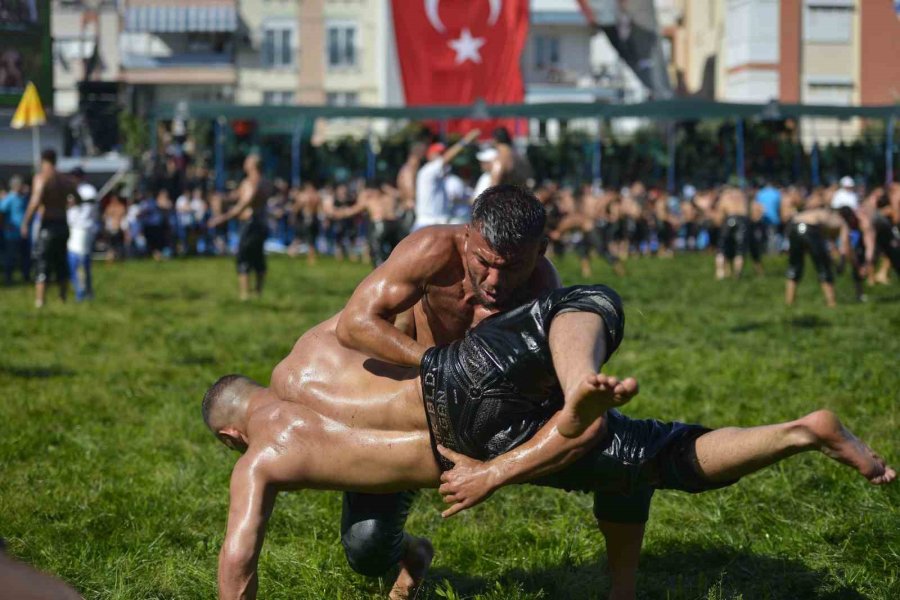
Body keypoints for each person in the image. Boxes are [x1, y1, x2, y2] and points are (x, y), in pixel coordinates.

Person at [205, 285, 894, 600]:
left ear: (234, 434)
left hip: (469, 430)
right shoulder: (313, 352)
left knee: (626, 447)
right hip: (464, 402)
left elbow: (237, 564)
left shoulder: (264, 452)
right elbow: (374, 323)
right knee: (631, 451)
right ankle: (794, 430)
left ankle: (579, 404)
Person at [334, 184, 561, 589]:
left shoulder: (544, 289)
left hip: (490, 421)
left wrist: (500, 467)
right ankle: (411, 552)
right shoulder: (431, 251)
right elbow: (354, 324)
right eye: (484, 262)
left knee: (619, 457)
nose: (494, 281)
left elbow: (559, 386)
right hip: (413, 408)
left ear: (540, 250)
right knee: (366, 548)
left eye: (511, 267)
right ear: (467, 234)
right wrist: (434, 362)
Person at [208, 155, 273, 301]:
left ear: (252, 165)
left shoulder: (253, 183)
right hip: (261, 224)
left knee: (243, 257)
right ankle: (257, 292)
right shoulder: (262, 182)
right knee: (258, 257)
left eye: (247, 161)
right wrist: (222, 197)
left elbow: (242, 206)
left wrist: (221, 218)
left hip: (251, 224)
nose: (244, 163)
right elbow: (237, 196)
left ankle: (245, 295)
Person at [20, 149, 77, 308]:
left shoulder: (42, 178)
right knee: (61, 261)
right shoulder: (65, 179)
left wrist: (26, 222)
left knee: (42, 262)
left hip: (48, 225)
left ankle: (40, 301)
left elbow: (35, 201)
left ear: (43, 160)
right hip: (63, 224)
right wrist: (64, 204)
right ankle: (63, 298)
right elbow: (76, 198)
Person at [785, 195, 855, 307]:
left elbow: (827, 243)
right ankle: (831, 303)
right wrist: (841, 263)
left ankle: (789, 302)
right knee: (823, 267)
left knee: (795, 266)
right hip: (810, 228)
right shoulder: (842, 223)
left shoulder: (825, 213)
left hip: (795, 226)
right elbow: (843, 246)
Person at [412, 130, 480, 231]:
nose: (442, 156)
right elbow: (446, 158)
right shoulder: (428, 171)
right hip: (427, 225)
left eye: (442, 153)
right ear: (430, 156)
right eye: (438, 154)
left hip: (438, 224)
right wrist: (465, 141)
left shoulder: (443, 177)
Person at [66, 168, 99, 301]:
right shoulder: (70, 190)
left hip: (83, 228)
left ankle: (82, 292)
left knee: (79, 261)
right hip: (72, 228)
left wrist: (75, 202)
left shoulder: (88, 190)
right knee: (73, 260)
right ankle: (83, 290)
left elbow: (90, 203)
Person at [714, 187, 750, 279]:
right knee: (739, 251)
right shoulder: (742, 196)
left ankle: (720, 273)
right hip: (742, 221)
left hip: (729, 219)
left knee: (721, 249)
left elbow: (720, 215)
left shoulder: (725, 196)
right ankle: (737, 275)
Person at [1, 174, 30, 284]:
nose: (23, 187)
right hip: (12, 233)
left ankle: (26, 276)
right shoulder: (10, 198)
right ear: (15, 186)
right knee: (11, 256)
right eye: (21, 185)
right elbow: (2, 211)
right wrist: (4, 225)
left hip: (23, 232)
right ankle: (8, 278)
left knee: (25, 256)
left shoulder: (23, 198)